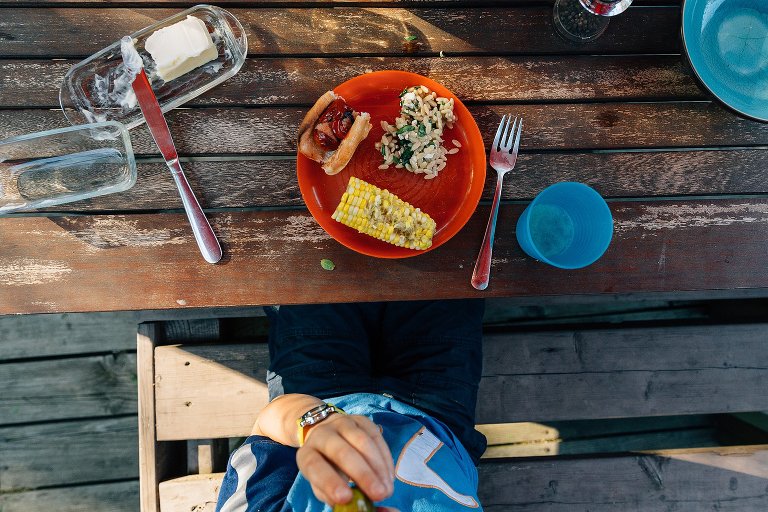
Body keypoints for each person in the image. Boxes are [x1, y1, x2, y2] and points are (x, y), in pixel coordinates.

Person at [215, 299, 487, 511]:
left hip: (319, 391)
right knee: (444, 264)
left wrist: (318, 424)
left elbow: (266, 425)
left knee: (318, 256)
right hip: (439, 419)